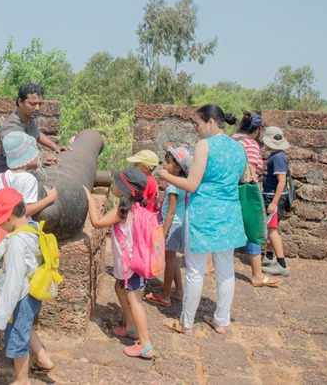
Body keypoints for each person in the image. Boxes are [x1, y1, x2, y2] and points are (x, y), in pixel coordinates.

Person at [158, 104, 247, 335]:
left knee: (195, 271)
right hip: (229, 214)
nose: (196, 129)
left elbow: (191, 184)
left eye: (197, 123)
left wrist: (165, 175)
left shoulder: (204, 145)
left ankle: (186, 323)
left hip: (203, 214)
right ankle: (221, 320)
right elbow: (239, 179)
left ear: (210, 122)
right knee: (225, 271)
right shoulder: (239, 148)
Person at [0, 83, 70, 291]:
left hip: (19, 178)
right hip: (4, 178)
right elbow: (13, 157)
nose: (37, 108)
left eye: (40, 103)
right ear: (20, 102)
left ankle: (15, 255)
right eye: (32, 103)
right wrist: (41, 161)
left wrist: (55, 146)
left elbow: (37, 134)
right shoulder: (10, 129)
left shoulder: (30, 121)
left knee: (17, 218)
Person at [0, 131, 58, 349]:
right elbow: (27, 209)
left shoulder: (1, 177)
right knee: (21, 277)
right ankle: (17, 320)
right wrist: (50, 199)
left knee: (0, 280)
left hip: (1, 233)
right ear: (28, 157)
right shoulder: (28, 179)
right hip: (19, 234)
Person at [83, 167, 156, 359]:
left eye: (117, 183)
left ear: (124, 190)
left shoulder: (122, 211)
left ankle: (146, 344)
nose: (114, 185)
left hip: (129, 266)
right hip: (132, 263)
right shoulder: (136, 207)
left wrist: (90, 200)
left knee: (135, 301)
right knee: (118, 287)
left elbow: (98, 222)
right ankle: (131, 326)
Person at [0, 188, 57, 383]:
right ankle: (43, 360)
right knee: (25, 327)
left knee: (17, 339)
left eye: (0, 220)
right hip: (32, 292)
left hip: (20, 296)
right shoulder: (32, 229)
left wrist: (0, 315)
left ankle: (21, 380)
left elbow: (14, 281)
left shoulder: (17, 242)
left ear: (9, 217)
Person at [232, 112, 282, 288]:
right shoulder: (251, 144)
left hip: (228, 190)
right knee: (253, 231)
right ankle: (257, 274)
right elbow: (249, 174)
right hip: (245, 191)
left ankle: (209, 265)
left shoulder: (231, 140)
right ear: (258, 130)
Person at [145, 146, 192, 307]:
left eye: (168, 163)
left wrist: (162, 233)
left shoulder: (173, 186)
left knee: (169, 260)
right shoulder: (182, 184)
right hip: (178, 224)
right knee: (173, 259)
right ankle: (179, 291)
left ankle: (165, 295)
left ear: (178, 168)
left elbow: (171, 212)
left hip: (171, 225)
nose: (164, 166)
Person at [260, 126, 291, 277]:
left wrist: (274, 202)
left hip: (273, 196)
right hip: (271, 195)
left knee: (271, 230)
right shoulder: (276, 155)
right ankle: (269, 256)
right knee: (272, 227)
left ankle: (282, 264)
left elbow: (281, 181)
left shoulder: (278, 157)